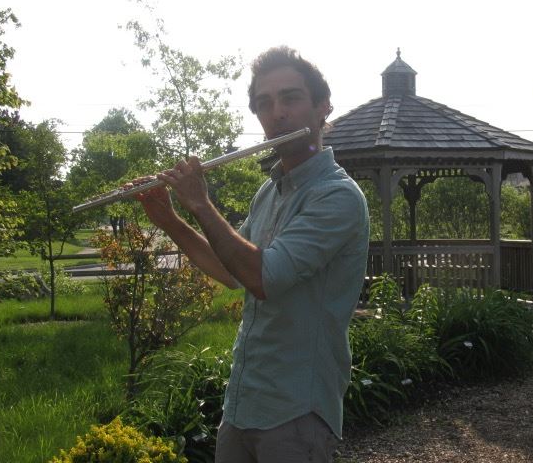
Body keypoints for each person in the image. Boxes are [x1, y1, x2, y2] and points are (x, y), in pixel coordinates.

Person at [135, 46, 369, 462]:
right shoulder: (269, 192)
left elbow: (262, 278)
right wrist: (169, 220)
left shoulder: (337, 197)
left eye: (290, 98)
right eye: (264, 103)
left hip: (297, 411)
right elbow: (230, 269)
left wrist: (201, 204)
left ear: (322, 107)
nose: (277, 113)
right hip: (244, 403)